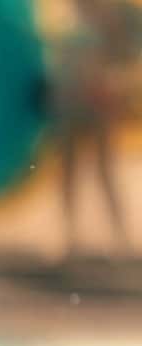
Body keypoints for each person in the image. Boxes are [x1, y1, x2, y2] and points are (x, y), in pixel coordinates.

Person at [53, 0, 138, 262]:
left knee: (102, 171)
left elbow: (123, 60)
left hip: (95, 103)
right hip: (73, 102)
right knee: (73, 170)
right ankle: (71, 236)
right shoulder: (71, 25)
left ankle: (119, 236)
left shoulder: (111, 21)